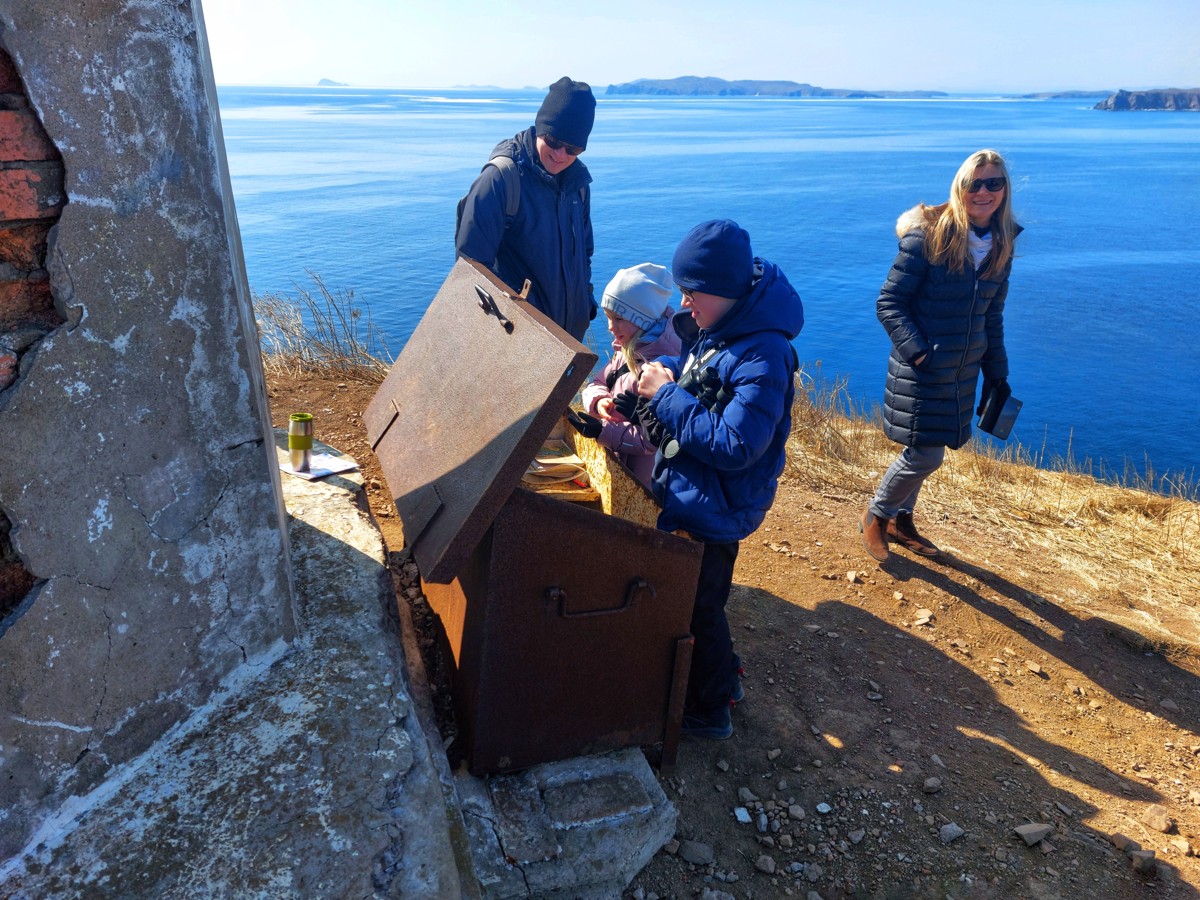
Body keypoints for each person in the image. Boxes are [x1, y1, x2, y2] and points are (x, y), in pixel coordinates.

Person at [636, 220, 804, 740]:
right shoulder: (727, 321)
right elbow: (697, 368)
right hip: (699, 494)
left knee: (699, 607)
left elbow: (735, 446)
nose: (685, 306)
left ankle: (710, 711)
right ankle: (726, 677)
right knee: (699, 598)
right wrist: (660, 371)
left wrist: (666, 396)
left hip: (719, 505)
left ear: (725, 289)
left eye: (692, 294)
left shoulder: (765, 354)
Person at [860, 149, 1022, 563]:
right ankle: (877, 515)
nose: (984, 191)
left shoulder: (1001, 246)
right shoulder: (928, 237)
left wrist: (997, 375)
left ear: (1004, 190)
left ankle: (901, 519)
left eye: (994, 183)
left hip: (962, 371)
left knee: (930, 445)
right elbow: (888, 303)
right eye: (975, 183)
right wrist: (919, 353)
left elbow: (992, 317)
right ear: (960, 187)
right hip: (924, 367)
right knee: (924, 454)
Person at [455, 77, 597, 340]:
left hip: (566, 341)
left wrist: (585, 303)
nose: (560, 154)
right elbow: (470, 272)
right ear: (540, 127)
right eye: (553, 141)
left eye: (573, 148)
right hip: (516, 343)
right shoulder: (501, 180)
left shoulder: (577, 185)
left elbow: (584, 253)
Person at [579, 263, 684, 488]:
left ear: (642, 319)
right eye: (608, 317)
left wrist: (603, 431)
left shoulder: (661, 368)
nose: (610, 327)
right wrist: (599, 401)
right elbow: (596, 383)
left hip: (645, 478)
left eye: (618, 319)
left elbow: (652, 441)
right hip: (625, 466)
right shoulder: (628, 348)